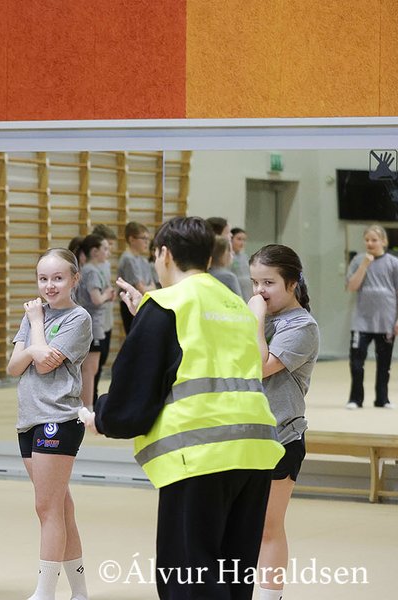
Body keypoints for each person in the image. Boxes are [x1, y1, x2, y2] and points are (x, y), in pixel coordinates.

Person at [83, 216, 284, 600]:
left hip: (200, 454)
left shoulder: (166, 305)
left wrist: (103, 417)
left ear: (164, 254)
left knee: (190, 578)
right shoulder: (234, 304)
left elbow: (133, 398)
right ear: (208, 258)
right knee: (234, 574)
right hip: (256, 451)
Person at [7, 248, 92, 600]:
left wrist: (37, 325)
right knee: (60, 506)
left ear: (74, 279)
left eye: (58, 278)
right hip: (29, 419)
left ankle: (45, 591)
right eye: (43, 279)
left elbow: (43, 364)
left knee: (46, 507)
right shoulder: (33, 315)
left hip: (57, 418)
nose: (49, 285)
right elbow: (14, 366)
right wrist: (30, 347)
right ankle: (80, 591)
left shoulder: (78, 318)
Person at [247, 245, 319, 600]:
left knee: (267, 528)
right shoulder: (258, 317)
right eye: (254, 282)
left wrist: (254, 318)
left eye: (269, 283)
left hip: (281, 437)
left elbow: (259, 366)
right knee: (239, 527)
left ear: (292, 283)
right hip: (244, 436)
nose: (259, 291)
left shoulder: (302, 326)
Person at [345, 224, 398, 409]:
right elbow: (351, 287)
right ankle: (355, 399)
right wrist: (364, 265)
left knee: (384, 364)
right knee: (356, 363)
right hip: (361, 321)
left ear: (383, 241)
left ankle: (382, 399)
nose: (370, 243)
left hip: (386, 321)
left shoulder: (394, 263)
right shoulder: (358, 260)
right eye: (367, 240)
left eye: (374, 240)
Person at [74, 234, 111, 411]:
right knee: (90, 369)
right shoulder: (91, 271)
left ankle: (86, 406)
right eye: (105, 249)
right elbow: (96, 299)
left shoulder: (89, 270)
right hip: (92, 324)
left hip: (94, 323)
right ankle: (87, 408)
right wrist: (107, 294)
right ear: (94, 251)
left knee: (90, 369)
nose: (108, 252)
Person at [90, 225, 118, 396]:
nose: (110, 250)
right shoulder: (89, 268)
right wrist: (104, 295)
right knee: (92, 365)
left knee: (102, 359)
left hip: (106, 318)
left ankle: (94, 394)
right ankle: (90, 397)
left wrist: (109, 293)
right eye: (107, 246)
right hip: (94, 321)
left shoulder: (106, 264)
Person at [116, 221, 154, 333]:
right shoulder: (128, 259)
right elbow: (141, 288)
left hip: (143, 303)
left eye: (148, 239)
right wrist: (147, 288)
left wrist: (147, 288)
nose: (147, 242)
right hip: (130, 304)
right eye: (143, 238)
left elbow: (152, 286)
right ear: (132, 239)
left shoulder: (143, 260)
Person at [230, 227, 251, 295]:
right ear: (231, 239)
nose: (242, 243)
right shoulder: (228, 257)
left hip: (247, 291)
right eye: (239, 239)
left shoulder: (245, 257)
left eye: (244, 240)